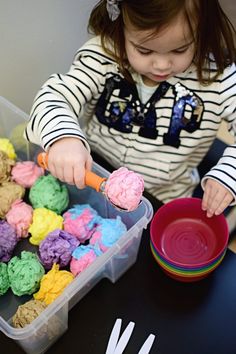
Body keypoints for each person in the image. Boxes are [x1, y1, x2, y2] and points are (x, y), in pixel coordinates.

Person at [25, 0, 236, 218]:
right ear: (122, 26)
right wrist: (63, 139)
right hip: (92, 175)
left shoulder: (218, 79)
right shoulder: (103, 55)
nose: (162, 65)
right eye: (144, 50)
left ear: (202, 29)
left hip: (162, 197)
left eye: (180, 49)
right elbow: (54, 97)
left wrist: (229, 173)